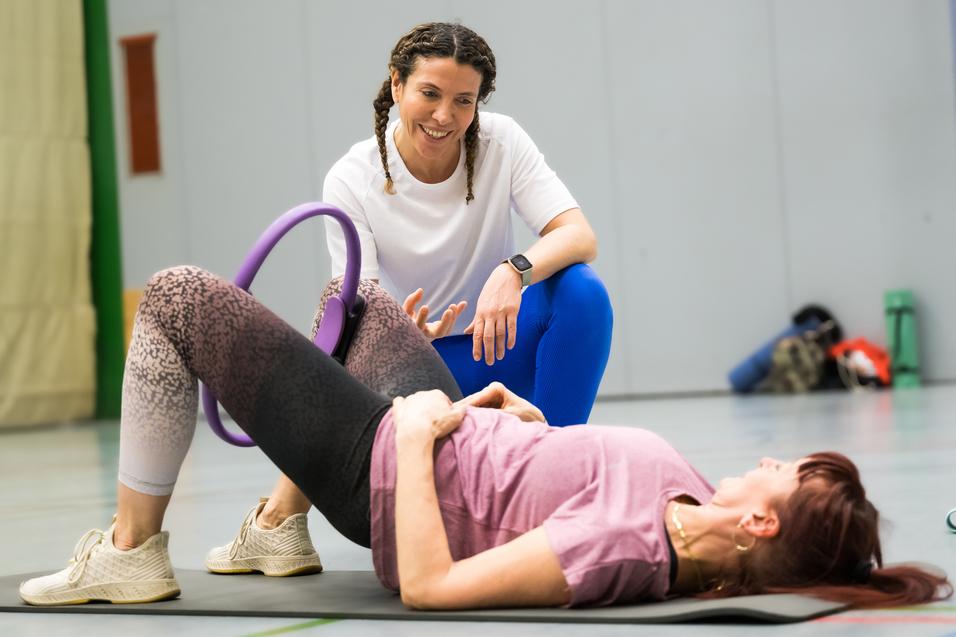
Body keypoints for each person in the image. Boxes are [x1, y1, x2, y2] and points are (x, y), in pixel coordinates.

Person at [19, 267, 951, 609]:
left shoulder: (618, 549)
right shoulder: (695, 493)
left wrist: (415, 439)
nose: (772, 458)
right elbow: (552, 476)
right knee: (356, 301)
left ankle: (130, 553)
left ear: (759, 525)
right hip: (455, 427)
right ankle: (271, 530)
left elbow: (430, 586)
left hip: (388, 472)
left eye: (785, 473)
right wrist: (509, 418)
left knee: (178, 298)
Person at [208, 21, 613, 575]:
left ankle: (550, 495)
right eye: (430, 93)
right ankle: (277, 523)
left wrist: (513, 271)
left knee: (582, 292)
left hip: (495, 350)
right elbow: (359, 303)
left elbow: (579, 235)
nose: (445, 115)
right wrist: (398, 337)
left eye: (463, 100)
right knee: (342, 317)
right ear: (396, 85)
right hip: (413, 379)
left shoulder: (501, 143)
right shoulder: (352, 178)